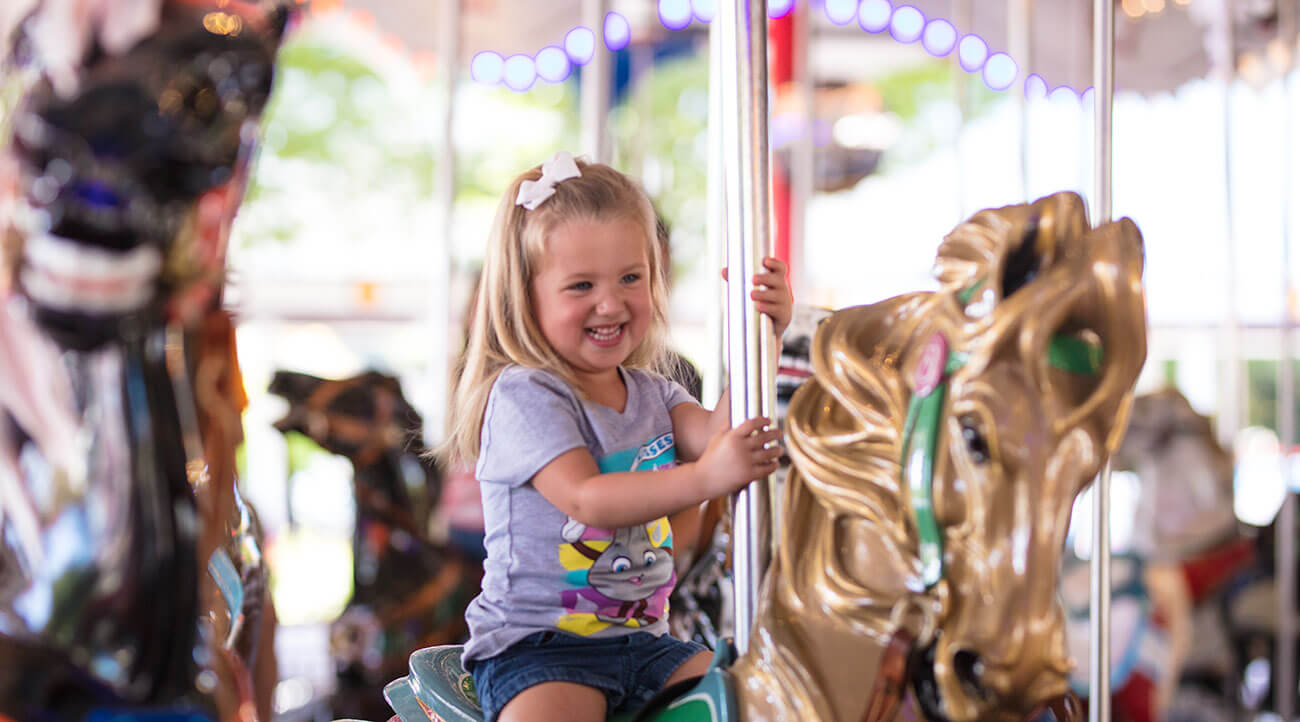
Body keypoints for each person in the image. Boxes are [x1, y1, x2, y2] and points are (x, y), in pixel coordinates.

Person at [441, 150, 791, 722]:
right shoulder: (526, 395)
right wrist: (705, 479)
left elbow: (720, 432)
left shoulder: (654, 393)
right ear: (525, 296)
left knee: (755, 700)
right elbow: (587, 498)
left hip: (647, 644)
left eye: (631, 278)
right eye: (581, 286)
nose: (611, 302)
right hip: (540, 647)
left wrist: (761, 335)